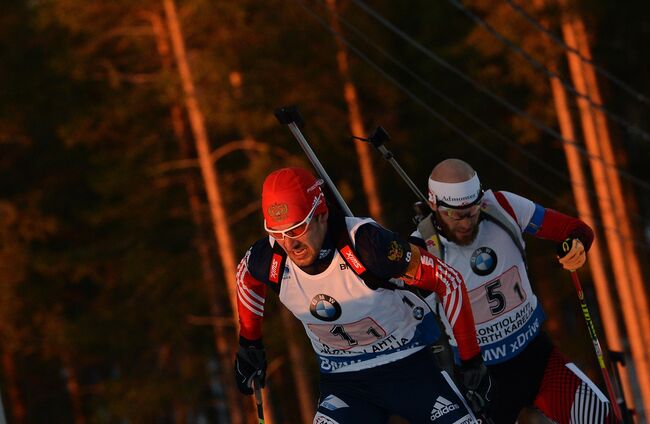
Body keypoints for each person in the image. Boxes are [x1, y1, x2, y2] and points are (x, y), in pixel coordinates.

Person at [234, 167, 493, 423]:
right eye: (277, 232)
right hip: (345, 382)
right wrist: (250, 343)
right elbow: (245, 276)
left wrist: (470, 362)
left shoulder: (368, 245)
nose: (290, 244)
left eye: (297, 229)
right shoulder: (270, 257)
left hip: (412, 366)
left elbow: (449, 281)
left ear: (321, 214)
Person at [412, 158, 618, 424]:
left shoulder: (503, 206)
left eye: (473, 211)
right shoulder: (421, 248)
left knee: (602, 419)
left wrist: (576, 246)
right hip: (484, 380)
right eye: (454, 214)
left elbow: (575, 229)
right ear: (433, 204)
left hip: (538, 359)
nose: (465, 223)